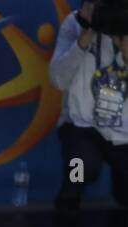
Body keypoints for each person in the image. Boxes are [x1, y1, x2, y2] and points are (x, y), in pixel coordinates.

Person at [50, 2, 128, 214]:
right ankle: (71, 189)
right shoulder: (74, 23)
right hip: (81, 126)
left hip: (124, 132)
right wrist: (83, 41)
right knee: (81, 168)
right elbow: (58, 80)